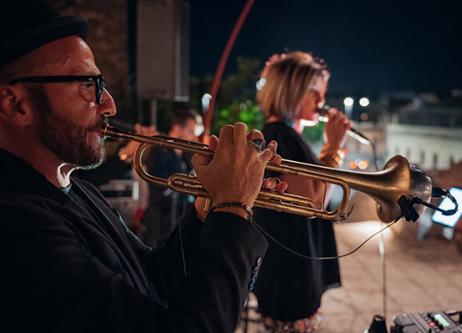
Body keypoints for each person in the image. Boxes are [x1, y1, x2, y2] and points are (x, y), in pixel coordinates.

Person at [0, 1, 282, 332]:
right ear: (16, 104)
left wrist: (209, 209)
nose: (109, 104)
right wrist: (233, 208)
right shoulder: (16, 225)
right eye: (87, 85)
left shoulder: (76, 189)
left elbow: (154, 278)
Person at [253, 51, 351, 332]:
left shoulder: (286, 135)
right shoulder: (280, 138)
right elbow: (314, 203)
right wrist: (333, 148)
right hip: (289, 271)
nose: (321, 101)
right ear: (291, 91)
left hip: (292, 262)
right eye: (314, 93)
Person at [139, 109, 203, 246]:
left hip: (180, 219)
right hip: (161, 220)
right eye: (191, 132)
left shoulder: (187, 155)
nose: (194, 138)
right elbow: (160, 188)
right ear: (177, 128)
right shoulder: (159, 152)